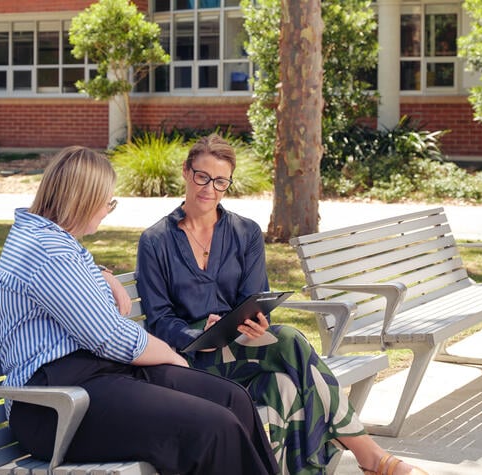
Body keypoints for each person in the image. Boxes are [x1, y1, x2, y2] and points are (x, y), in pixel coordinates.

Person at [135, 134, 428, 475]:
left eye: (220, 182)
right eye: (202, 177)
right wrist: (198, 331)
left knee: (284, 386)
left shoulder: (245, 232)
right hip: (190, 359)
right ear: (186, 172)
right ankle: (371, 456)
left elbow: (254, 297)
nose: (209, 189)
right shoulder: (155, 240)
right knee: (288, 338)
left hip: (246, 344)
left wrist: (255, 322)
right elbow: (157, 320)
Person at [0, 145, 279, 475]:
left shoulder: (52, 240)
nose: (107, 211)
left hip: (96, 376)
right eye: (107, 202)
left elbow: (66, 287)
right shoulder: (47, 250)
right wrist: (170, 355)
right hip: (55, 405)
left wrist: (101, 273)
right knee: (215, 426)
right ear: (82, 199)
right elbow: (109, 337)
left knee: (232, 399)